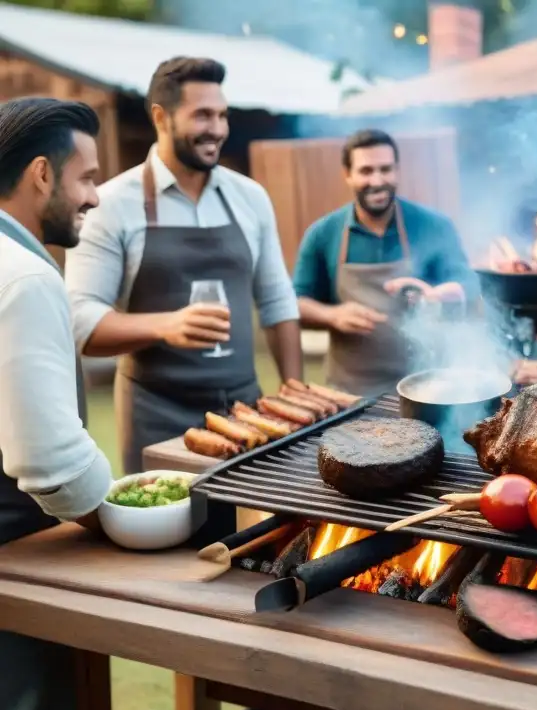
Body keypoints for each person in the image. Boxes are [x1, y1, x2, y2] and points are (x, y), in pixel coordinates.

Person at [65, 57, 302, 474]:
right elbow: (80, 322)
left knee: (251, 533)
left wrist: (294, 392)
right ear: (161, 117)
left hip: (245, 413)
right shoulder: (111, 205)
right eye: (203, 115)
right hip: (156, 415)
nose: (218, 129)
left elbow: (278, 300)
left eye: (223, 115)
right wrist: (164, 326)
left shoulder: (250, 197)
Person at [0, 96, 115, 710]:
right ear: (42, 174)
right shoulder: (24, 279)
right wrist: (126, 516)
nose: (95, 197)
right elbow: (51, 463)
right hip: (18, 571)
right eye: (88, 177)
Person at [292, 128, 479, 395]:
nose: (378, 180)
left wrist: (438, 294)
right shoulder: (323, 234)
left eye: (386, 169)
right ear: (348, 175)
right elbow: (294, 304)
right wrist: (333, 315)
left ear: (397, 170)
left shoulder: (432, 225)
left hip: (426, 386)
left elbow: (468, 281)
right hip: (351, 394)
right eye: (366, 171)